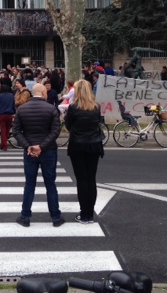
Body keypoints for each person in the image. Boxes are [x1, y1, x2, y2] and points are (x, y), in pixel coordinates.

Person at [11, 83, 64, 227]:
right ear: (42, 92)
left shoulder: (22, 109)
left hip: (29, 152)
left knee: (29, 184)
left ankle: (25, 217)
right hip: (48, 150)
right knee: (50, 184)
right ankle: (55, 217)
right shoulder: (51, 109)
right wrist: (42, 146)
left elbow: (15, 131)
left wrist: (28, 146)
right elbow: (55, 131)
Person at [65, 80, 104, 224]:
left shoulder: (73, 108)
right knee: (91, 178)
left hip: (78, 145)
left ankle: (84, 213)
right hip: (94, 145)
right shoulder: (96, 107)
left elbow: (68, 126)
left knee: (81, 180)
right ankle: (90, 214)